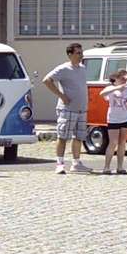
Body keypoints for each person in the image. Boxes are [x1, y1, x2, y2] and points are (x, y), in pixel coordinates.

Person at [43, 43, 92, 174]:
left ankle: (76, 163)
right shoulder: (63, 68)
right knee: (63, 136)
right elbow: (47, 80)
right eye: (78, 53)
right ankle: (59, 163)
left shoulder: (82, 68)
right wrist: (61, 96)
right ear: (70, 54)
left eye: (81, 53)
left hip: (81, 109)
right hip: (67, 109)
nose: (81, 56)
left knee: (79, 136)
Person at [100, 69, 127, 174]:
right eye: (121, 78)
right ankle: (106, 167)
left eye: (124, 78)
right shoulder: (110, 88)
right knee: (113, 142)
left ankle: (120, 167)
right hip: (113, 119)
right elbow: (102, 94)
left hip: (126, 118)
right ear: (115, 79)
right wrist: (118, 87)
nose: (123, 80)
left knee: (122, 143)